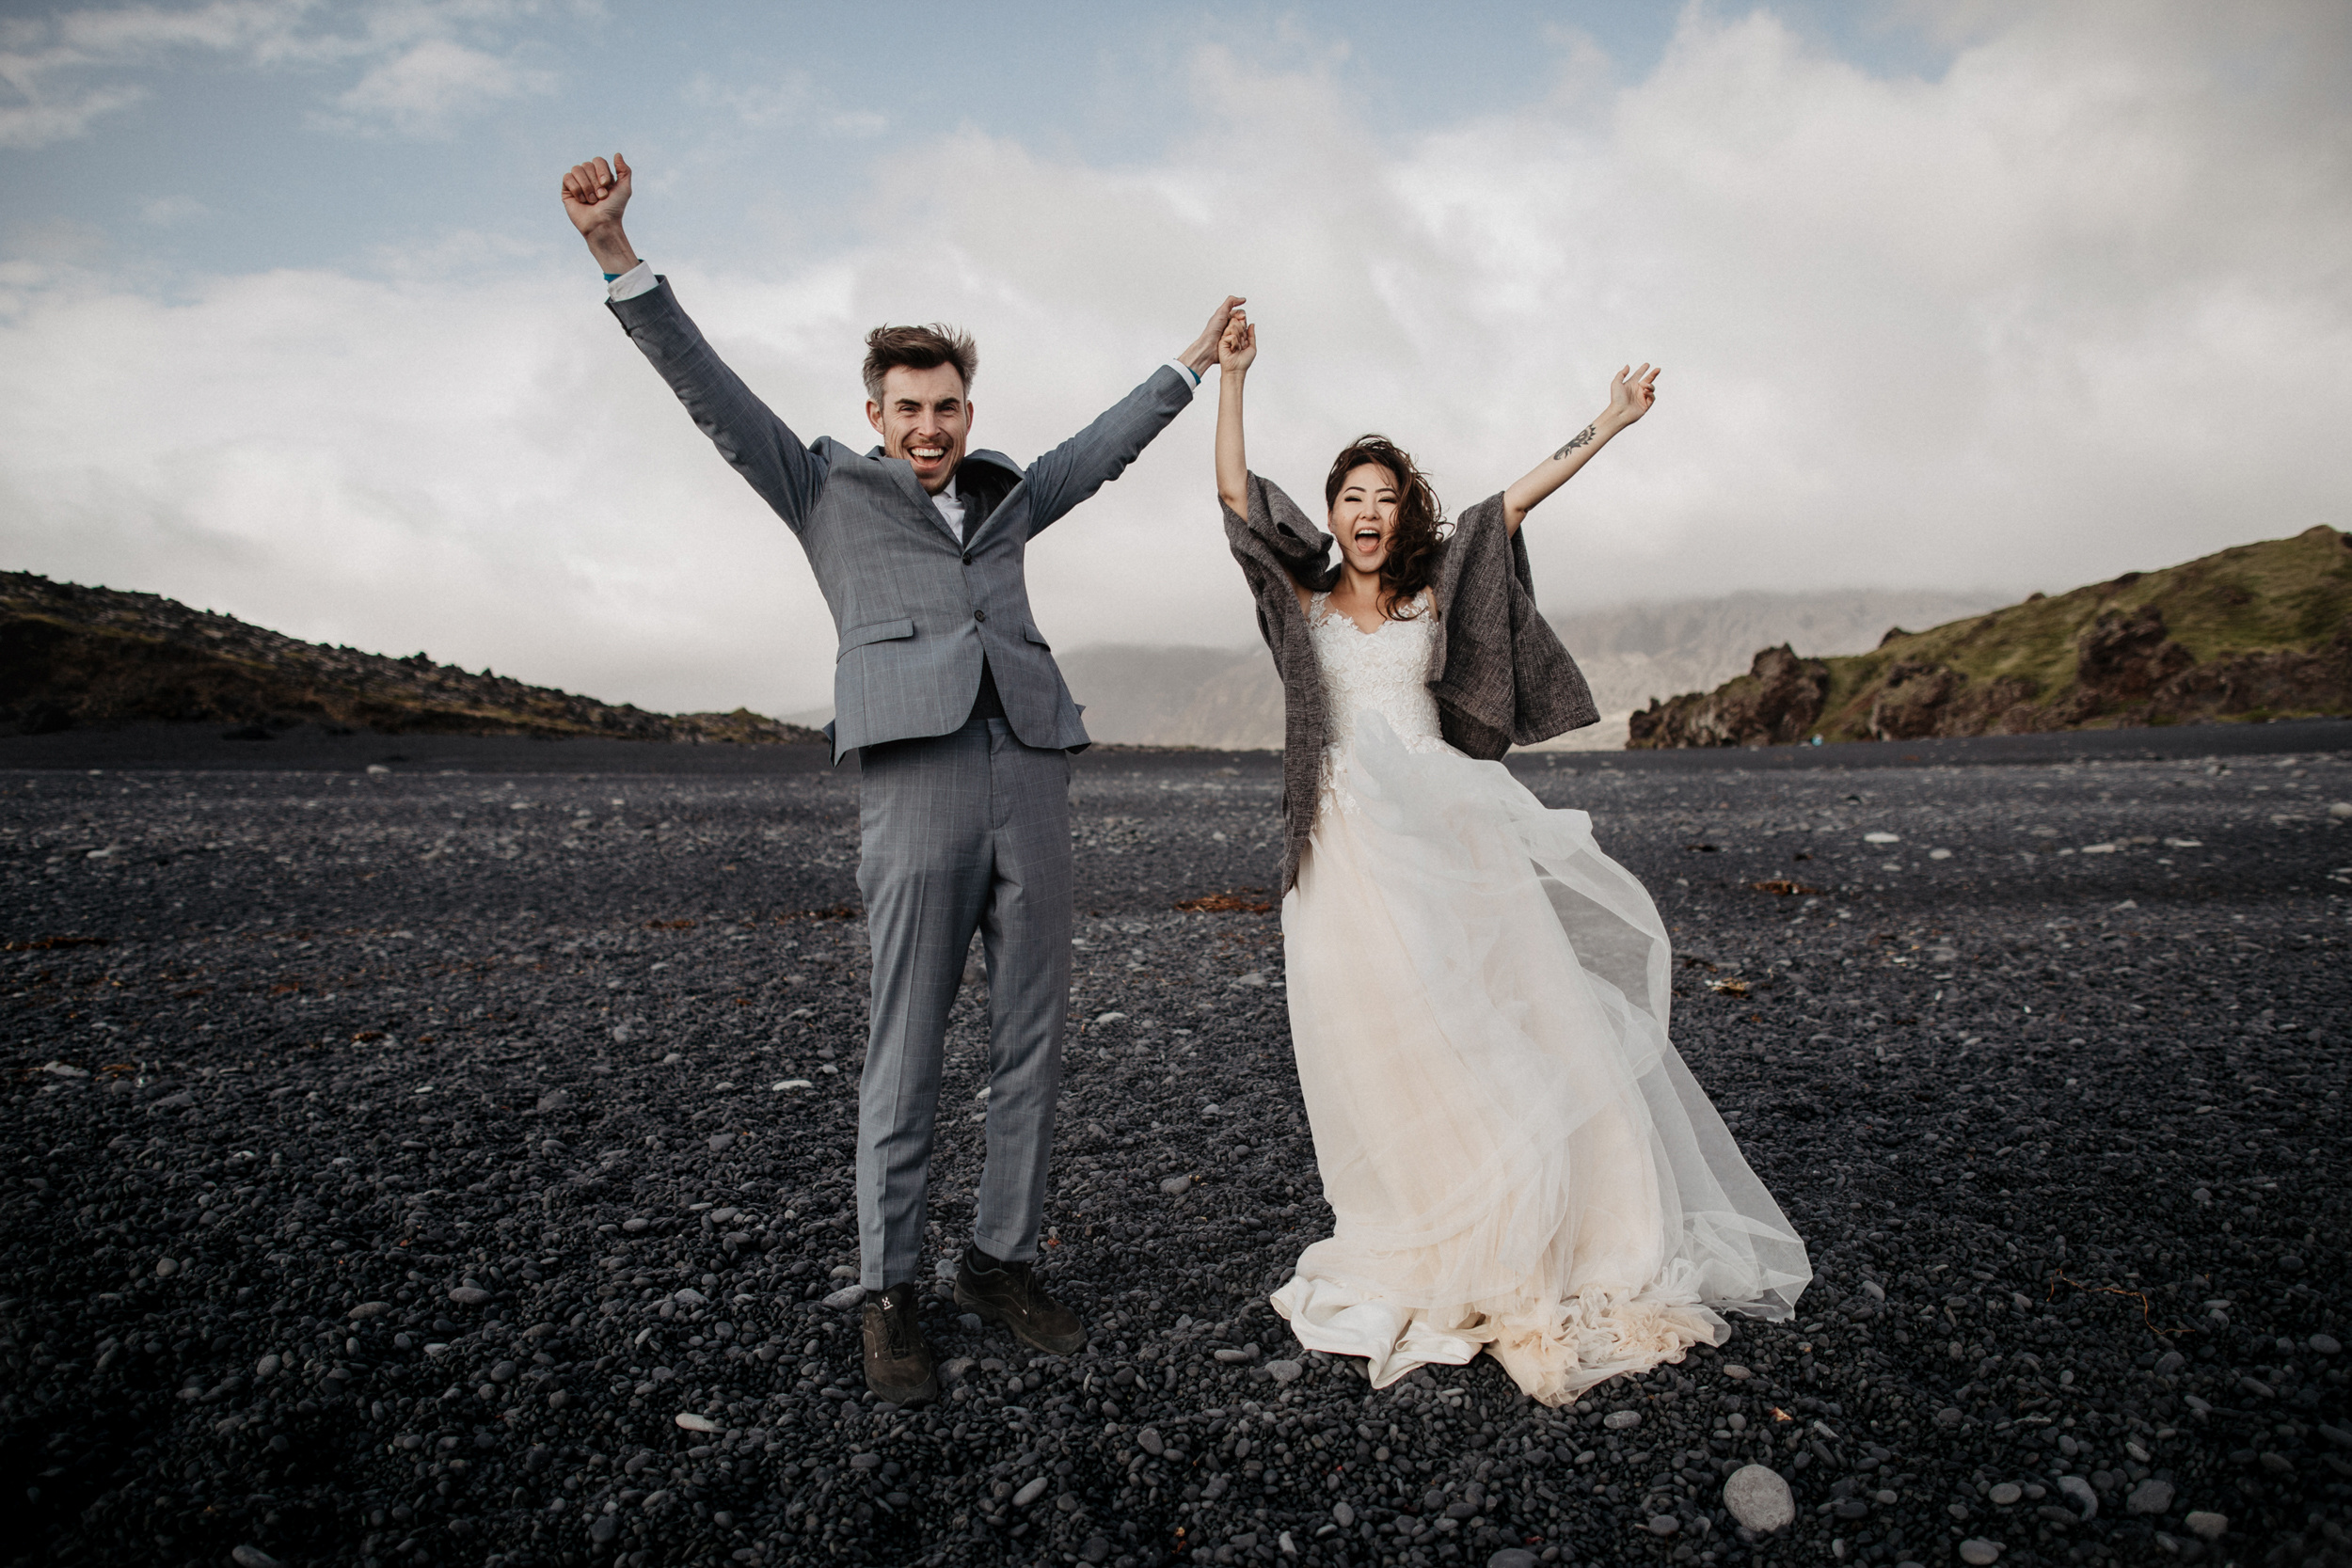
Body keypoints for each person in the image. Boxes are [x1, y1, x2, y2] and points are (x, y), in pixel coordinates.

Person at [560, 153, 1243, 1405]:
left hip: (1029, 766)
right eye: (908, 409)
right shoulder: (824, 485)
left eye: (948, 409)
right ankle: (892, 1291)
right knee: (906, 1043)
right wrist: (618, 257)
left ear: (966, 413)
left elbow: (1099, 450)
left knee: (1033, 1035)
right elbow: (711, 394)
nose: (930, 428)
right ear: (875, 412)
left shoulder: (1006, 496)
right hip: (915, 782)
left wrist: (1189, 362)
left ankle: (1002, 1259)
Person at [1212, 309, 1811, 1404]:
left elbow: (1515, 501)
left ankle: (1528, 1219)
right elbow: (1237, 500)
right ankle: (1424, 1202)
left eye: (1385, 500)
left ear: (1404, 518)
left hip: (1446, 829)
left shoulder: (1431, 589)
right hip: (1341, 845)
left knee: (1485, 1014)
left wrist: (1611, 422)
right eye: (1351, 496)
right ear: (1332, 512)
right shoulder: (1300, 601)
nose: (1365, 514)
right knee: (1376, 1034)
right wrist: (1233, 376)